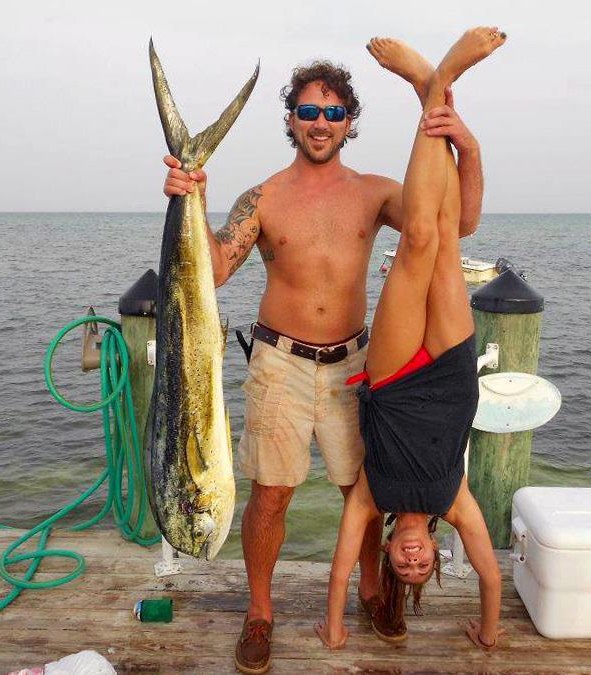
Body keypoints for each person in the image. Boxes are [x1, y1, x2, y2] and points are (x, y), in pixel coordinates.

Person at [162, 54, 485, 674]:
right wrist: (190, 198)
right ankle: (260, 613)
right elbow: (216, 267)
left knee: (366, 490)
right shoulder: (263, 197)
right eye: (308, 110)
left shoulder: (373, 192)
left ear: (348, 123)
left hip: (356, 367)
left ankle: (372, 591)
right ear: (291, 118)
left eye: (333, 113)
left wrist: (465, 146)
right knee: (270, 496)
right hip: (278, 363)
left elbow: (458, 224)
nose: (321, 122)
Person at [313, 28, 506, 652]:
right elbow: (491, 574)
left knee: (418, 238)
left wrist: (335, 626)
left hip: (394, 381)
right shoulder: (456, 503)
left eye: (404, 565)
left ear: (392, 550)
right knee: (444, 237)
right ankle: (432, 86)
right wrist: (488, 631)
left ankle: (439, 77)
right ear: (434, 554)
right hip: (449, 377)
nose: (414, 560)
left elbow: (341, 567)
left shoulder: (373, 498)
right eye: (425, 566)